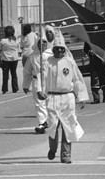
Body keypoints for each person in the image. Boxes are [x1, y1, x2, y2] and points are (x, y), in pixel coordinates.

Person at [36, 29, 89, 164]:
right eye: (56, 49)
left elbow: (77, 79)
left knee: (68, 127)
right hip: (53, 98)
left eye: (61, 49)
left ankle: (66, 155)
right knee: (53, 126)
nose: (59, 52)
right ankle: (53, 148)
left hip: (67, 98)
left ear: (64, 50)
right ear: (53, 49)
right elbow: (41, 78)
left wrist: (81, 96)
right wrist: (40, 90)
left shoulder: (70, 62)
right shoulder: (47, 62)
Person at [22, 36, 49, 133]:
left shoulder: (52, 55)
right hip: (37, 81)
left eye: (45, 42)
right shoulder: (33, 56)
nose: (43, 44)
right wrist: (26, 85)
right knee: (39, 102)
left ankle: (51, 120)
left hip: (49, 81)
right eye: (40, 42)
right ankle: (42, 122)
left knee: (49, 101)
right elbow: (27, 71)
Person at [0, 25, 21, 94]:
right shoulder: (15, 41)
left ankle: (4, 89)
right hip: (14, 59)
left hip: (5, 59)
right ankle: (15, 88)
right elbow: (18, 49)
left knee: (5, 75)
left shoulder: (2, 41)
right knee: (14, 73)